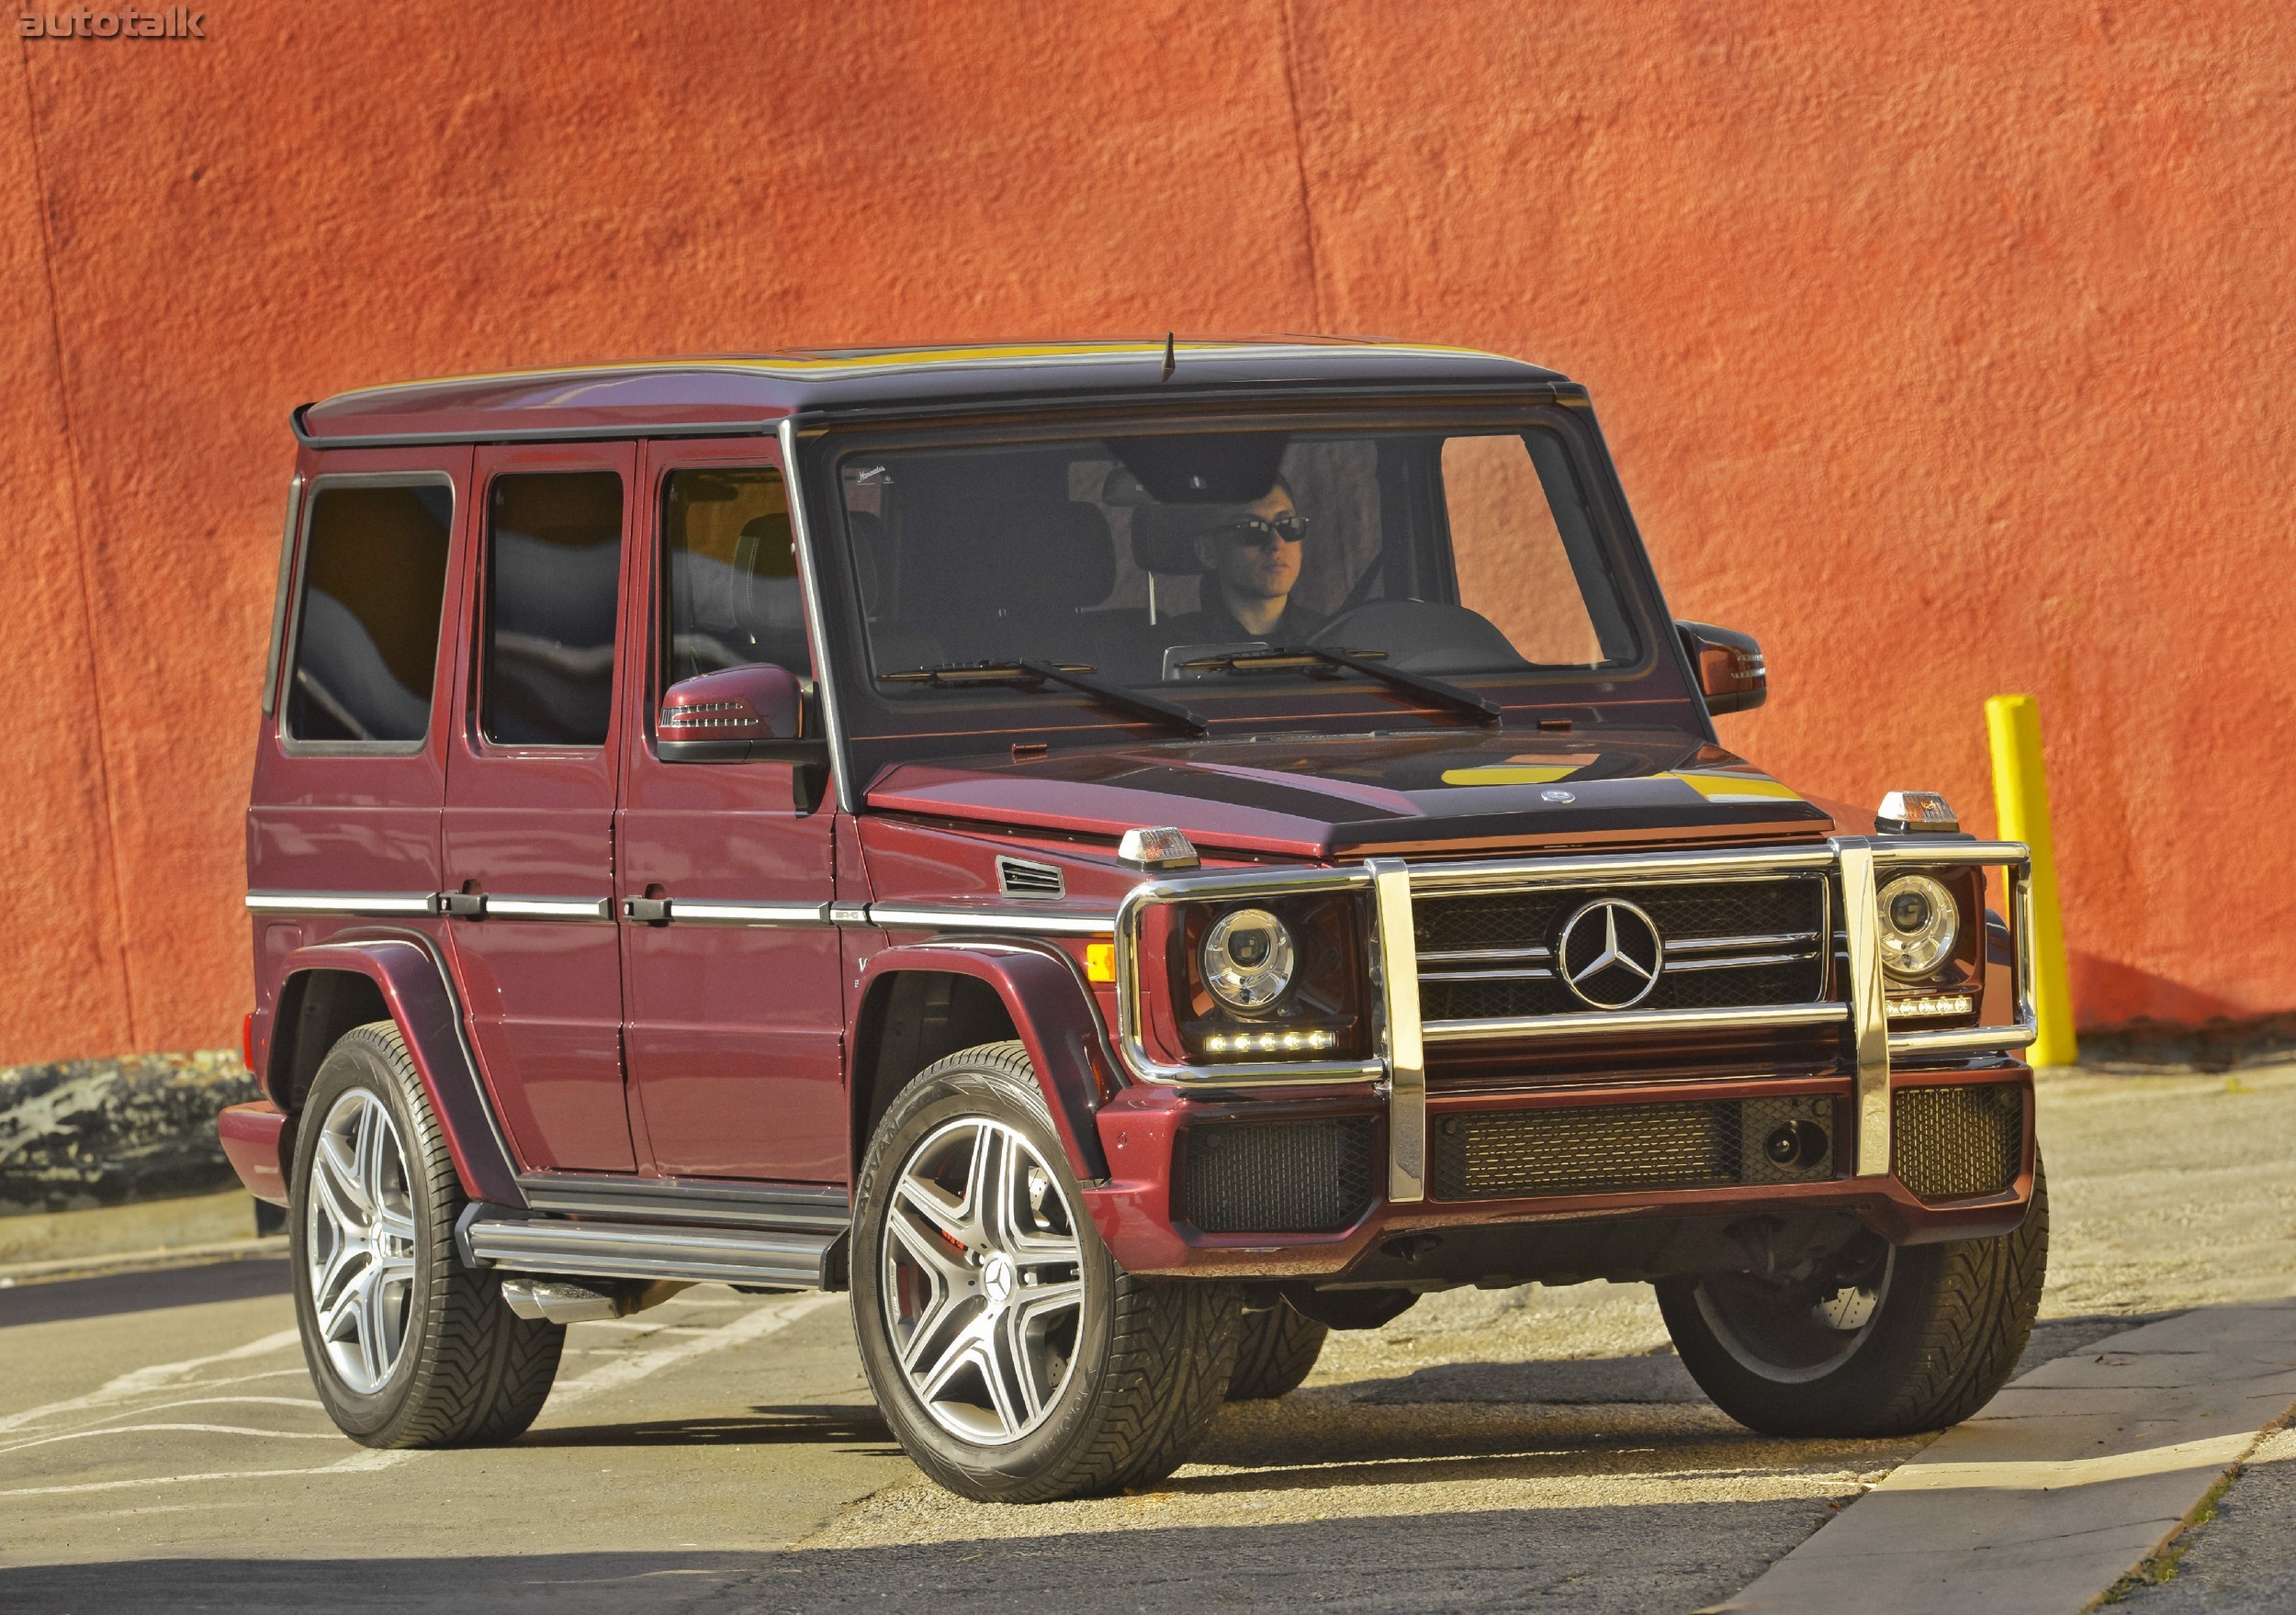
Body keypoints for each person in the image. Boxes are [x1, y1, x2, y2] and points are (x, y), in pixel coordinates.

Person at [1161, 479, 1325, 646]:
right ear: (1207, 551)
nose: (1276, 543)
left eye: (1289, 525)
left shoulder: (1333, 639)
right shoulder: (1172, 648)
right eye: (1251, 528)